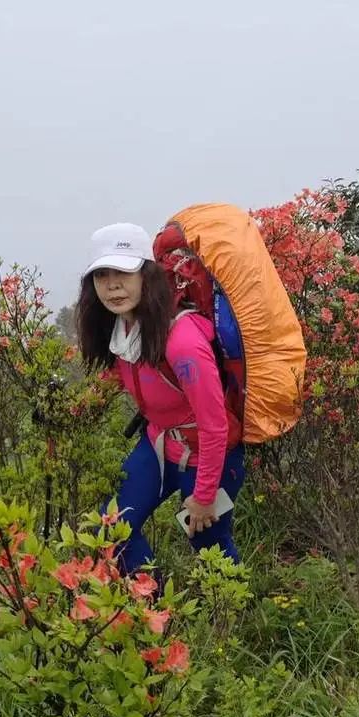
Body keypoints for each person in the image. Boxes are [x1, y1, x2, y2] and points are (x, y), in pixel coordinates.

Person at [76, 222, 244, 575]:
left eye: (123, 272)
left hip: (208, 452)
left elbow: (214, 425)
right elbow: (117, 378)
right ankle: (148, 610)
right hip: (159, 445)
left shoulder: (182, 342)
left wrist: (203, 495)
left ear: (146, 275)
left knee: (208, 544)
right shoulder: (122, 327)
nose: (112, 285)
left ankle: (233, 619)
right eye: (101, 275)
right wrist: (68, 412)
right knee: (113, 528)